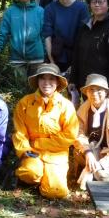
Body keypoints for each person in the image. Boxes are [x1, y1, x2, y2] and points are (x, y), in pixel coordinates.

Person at [11, 63, 78, 199]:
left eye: (51, 79)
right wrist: (25, 151)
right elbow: (19, 132)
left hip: (56, 154)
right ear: (38, 81)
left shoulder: (66, 105)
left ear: (57, 82)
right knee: (30, 172)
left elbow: (69, 135)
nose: (47, 83)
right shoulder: (25, 103)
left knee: (55, 192)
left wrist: (39, 143)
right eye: (43, 78)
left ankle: (46, 178)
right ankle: (34, 177)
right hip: (32, 152)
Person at [72, 74, 109, 189]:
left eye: (99, 90)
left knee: (102, 176)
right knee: (90, 165)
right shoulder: (83, 110)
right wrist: (88, 153)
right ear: (87, 92)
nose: (95, 94)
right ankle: (90, 169)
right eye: (91, 90)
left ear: (106, 92)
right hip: (90, 152)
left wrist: (100, 164)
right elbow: (77, 134)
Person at [70, 0, 109, 94]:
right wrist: (73, 80)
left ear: (108, 4)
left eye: (101, 1)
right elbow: (76, 55)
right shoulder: (85, 26)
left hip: (101, 86)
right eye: (94, 1)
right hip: (83, 83)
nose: (97, 4)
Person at [0, 0, 46, 84]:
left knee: (36, 88)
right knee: (19, 88)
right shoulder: (10, 12)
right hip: (16, 58)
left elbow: (44, 34)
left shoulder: (40, 11)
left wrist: (46, 54)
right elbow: (3, 32)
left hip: (37, 57)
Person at [42, 0, 89, 75]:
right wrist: (52, 62)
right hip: (56, 53)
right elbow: (47, 36)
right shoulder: (50, 8)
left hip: (77, 54)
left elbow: (84, 36)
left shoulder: (82, 7)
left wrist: (75, 64)